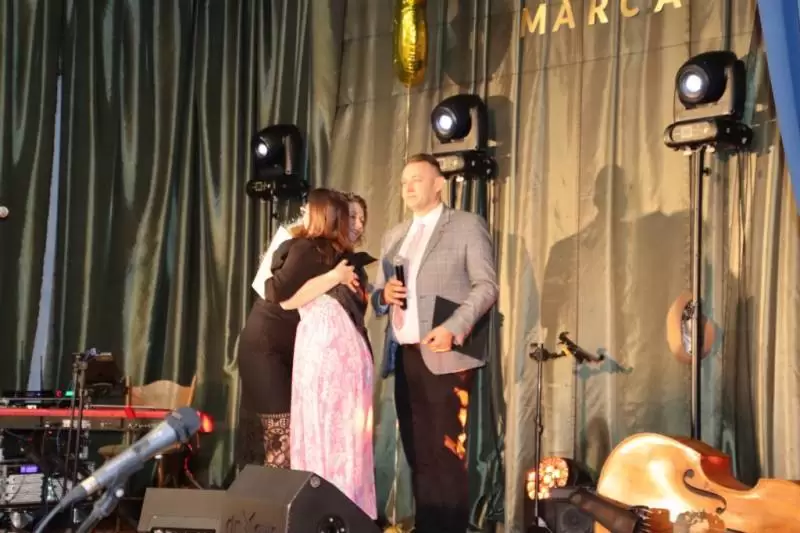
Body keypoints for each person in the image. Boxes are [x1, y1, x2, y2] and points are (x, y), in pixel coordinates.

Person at [371, 154, 499, 533]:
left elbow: (486, 285)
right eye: (403, 182)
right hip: (405, 356)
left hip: (446, 353)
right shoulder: (394, 236)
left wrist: (454, 327)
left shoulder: (465, 225)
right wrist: (383, 296)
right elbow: (377, 296)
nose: (408, 187)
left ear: (439, 184)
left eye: (417, 179)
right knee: (418, 452)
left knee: (447, 453)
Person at [268, 190, 376, 519]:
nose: (355, 224)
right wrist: (333, 277)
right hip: (321, 349)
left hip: (341, 350)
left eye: (361, 218)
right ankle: (322, 512)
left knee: (342, 434)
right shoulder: (310, 250)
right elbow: (284, 298)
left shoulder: (343, 258)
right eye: (350, 216)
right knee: (321, 429)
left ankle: (342, 513)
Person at [236, 189, 356, 470]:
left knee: (287, 435)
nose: (303, 213)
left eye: (307, 209)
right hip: (265, 347)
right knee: (280, 435)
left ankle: (273, 495)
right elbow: (275, 292)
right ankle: (269, 498)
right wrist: (331, 277)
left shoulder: (323, 251)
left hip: (288, 348)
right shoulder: (306, 248)